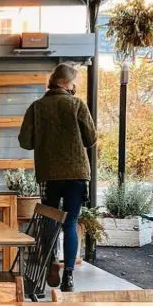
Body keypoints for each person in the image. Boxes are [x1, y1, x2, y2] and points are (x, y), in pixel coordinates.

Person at [18, 62, 96, 292]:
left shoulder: (37, 107)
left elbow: (25, 142)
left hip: (49, 175)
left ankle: (50, 263)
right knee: (70, 222)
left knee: (49, 221)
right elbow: (91, 139)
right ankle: (68, 276)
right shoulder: (77, 104)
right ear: (68, 83)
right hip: (76, 174)